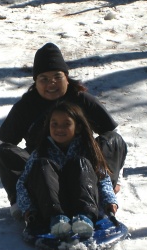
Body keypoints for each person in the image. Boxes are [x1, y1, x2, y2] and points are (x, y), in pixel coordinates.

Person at [0, 42, 127, 219]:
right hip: (43, 168)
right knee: (3, 152)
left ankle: (102, 195)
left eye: (57, 77)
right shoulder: (26, 105)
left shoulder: (81, 99)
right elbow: (7, 143)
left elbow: (111, 133)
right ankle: (25, 204)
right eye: (44, 79)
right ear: (36, 82)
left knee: (113, 139)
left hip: (83, 168)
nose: (51, 83)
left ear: (66, 77)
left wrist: (109, 173)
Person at [16, 101, 118, 238]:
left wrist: (109, 201)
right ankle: (57, 219)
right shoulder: (41, 152)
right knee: (42, 165)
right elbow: (22, 182)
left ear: (78, 127)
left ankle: (84, 217)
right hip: (50, 207)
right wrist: (28, 209)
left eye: (66, 124)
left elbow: (103, 178)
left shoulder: (87, 150)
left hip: (82, 202)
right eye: (55, 124)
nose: (59, 129)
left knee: (80, 162)